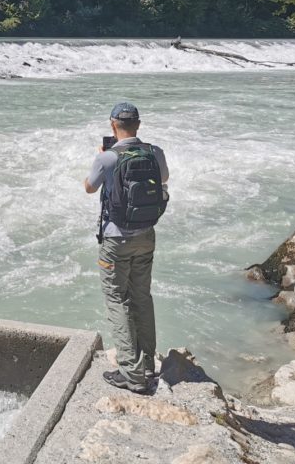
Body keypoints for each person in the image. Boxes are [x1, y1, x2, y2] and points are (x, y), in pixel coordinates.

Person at [83, 101, 168, 394]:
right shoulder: (154, 152)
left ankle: (130, 373)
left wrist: (101, 158)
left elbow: (89, 187)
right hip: (146, 235)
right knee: (142, 297)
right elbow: (164, 179)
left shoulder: (108, 157)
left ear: (112, 126)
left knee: (117, 299)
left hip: (116, 240)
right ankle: (146, 366)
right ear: (139, 125)